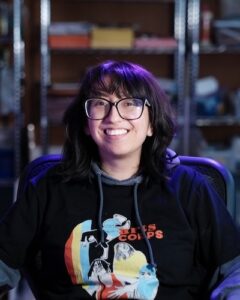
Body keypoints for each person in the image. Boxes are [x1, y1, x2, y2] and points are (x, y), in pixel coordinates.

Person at [0, 60, 240, 300]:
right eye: (100, 103)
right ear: (86, 123)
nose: (113, 117)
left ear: (151, 124)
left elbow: (235, 270)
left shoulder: (190, 188)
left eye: (130, 104)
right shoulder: (48, 188)